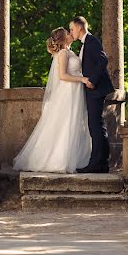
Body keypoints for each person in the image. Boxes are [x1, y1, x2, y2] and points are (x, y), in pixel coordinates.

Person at [13, 27, 92, 174]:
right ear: (63, 38)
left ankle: (73, 157)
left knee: (73, 123)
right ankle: (59, 160)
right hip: (68, 92)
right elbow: (62, 76)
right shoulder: (62, 53)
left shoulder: (70, 52)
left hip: (75, 92)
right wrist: (81, 79)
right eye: (68, 33)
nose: (71, 34)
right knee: (65, 124)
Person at [69, 16, 114, 173]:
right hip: (92, 89)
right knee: (96, 126)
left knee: (95, 126)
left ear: (80, 27)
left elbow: (103, 60)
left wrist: (92, 80)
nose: (71, 32)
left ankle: (96, 164)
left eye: (72, 29)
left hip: (95, 89)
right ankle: (102, 163)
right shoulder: (84, 44)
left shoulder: (92, 41)